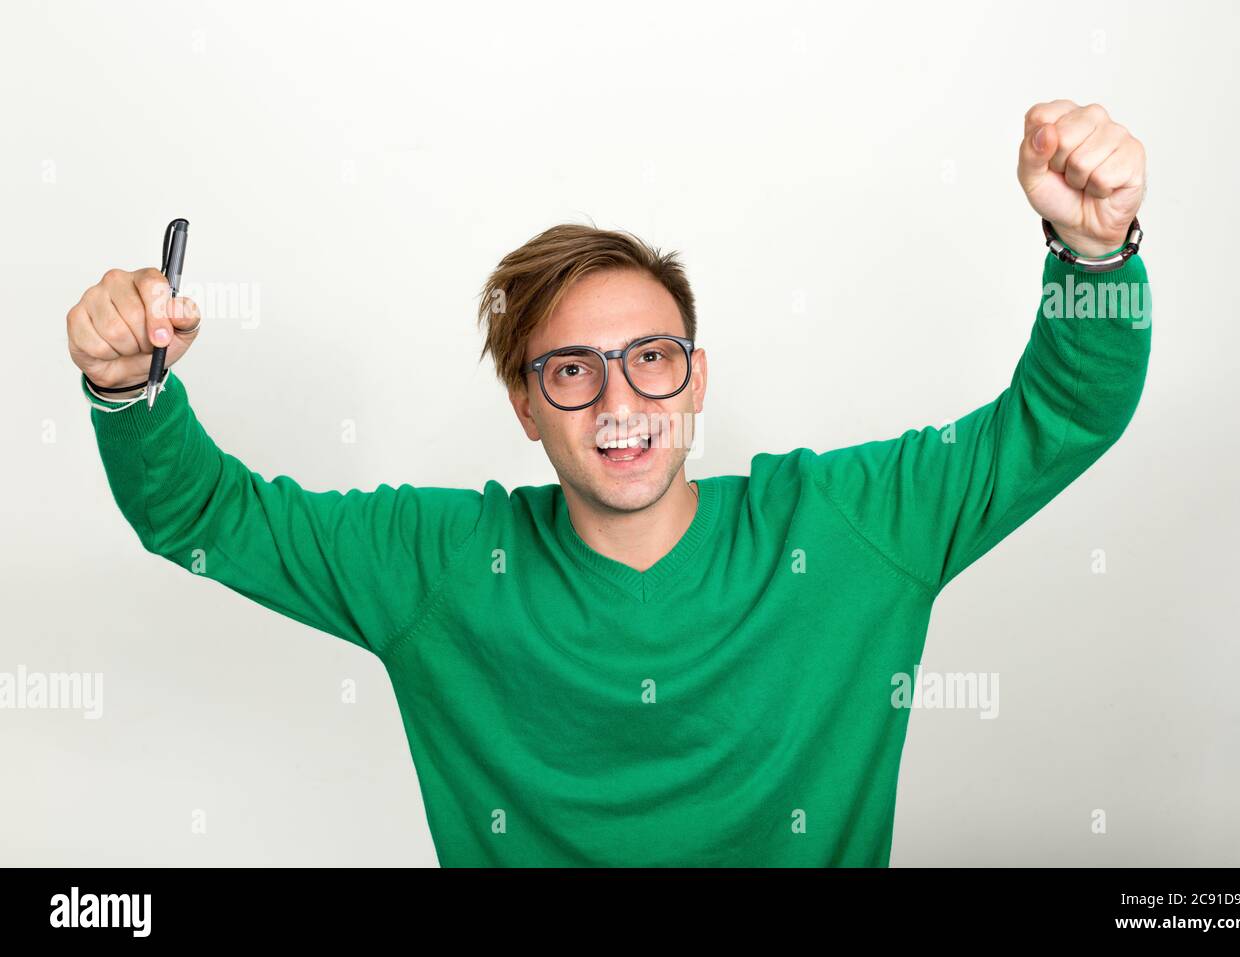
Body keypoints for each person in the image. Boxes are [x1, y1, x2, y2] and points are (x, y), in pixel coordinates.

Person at [68, 99, 1150, 866]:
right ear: (525, 408)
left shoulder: (846, 525)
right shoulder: (438, 567)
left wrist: (1093, 253)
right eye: (571, 370)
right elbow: (199, 513)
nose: (621, 399)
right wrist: (125, 387)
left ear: (697, 376)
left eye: (653, 355)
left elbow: (1063, 415)